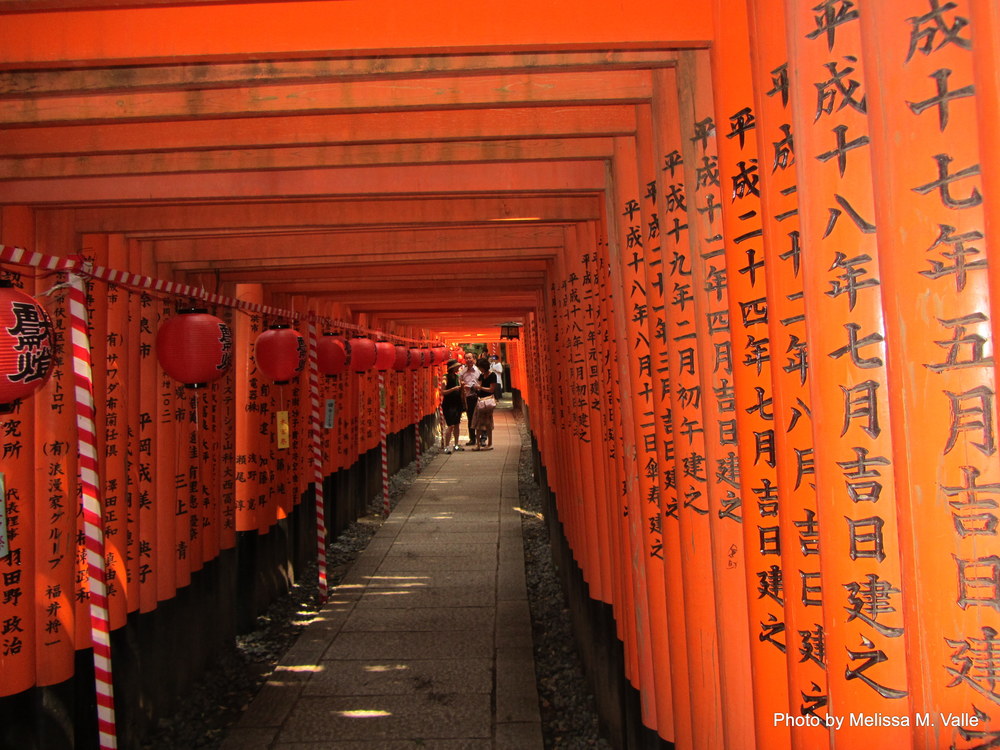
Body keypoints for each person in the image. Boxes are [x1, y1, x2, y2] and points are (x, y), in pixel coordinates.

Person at [471, 356, 498, 450]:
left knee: (488, 422)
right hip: (480, 400)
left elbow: (491, 389)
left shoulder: (492, 375)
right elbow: (479, 384)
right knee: (478, 422)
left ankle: (489, 443)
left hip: (488, 400)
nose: (480, 369)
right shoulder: (482, 375)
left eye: (480, 367)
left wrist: (480, 388)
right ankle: (478, 444)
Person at [440, 359, 465, 453]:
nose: (458, 368)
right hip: (449, 403)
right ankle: (446, 446)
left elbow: (460, 390)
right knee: (450, 425)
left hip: (457, 402)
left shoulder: (457, 377)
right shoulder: (445, 377)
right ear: (452, 368)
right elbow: (443, 392)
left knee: (457, 424)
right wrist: (454, 388)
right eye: (456, 366)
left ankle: (456, 444)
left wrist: (462, 388)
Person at [458, 351, 481, 445]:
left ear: (474, 359)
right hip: (468, 397)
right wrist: (463, 386)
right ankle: (472, 438)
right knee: (470, 418)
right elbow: (460, 384)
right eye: (466, 358)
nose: (468, 360)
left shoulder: (479, 371)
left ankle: (482, 438)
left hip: (478, 396)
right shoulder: (462, 372)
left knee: (480, 417)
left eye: (470, 358)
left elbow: (481, 383)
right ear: (464, 360)